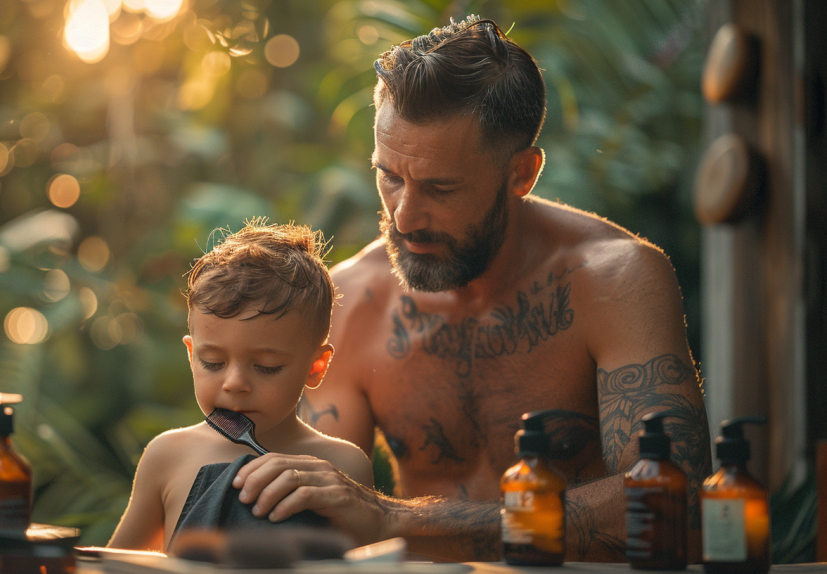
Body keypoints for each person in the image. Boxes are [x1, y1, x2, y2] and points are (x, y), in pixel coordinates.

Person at [230, 16, 711, 563]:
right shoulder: (348, 303)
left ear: (522, 175)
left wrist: (392, 517)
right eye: (389, 175)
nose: (405, 217)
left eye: (441, 187)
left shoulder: (616, 281)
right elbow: (305, 518)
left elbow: (678, 503)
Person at [107, 221, 373, 552]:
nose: (234, 384)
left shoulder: (343, 465)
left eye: (266, 367)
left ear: (316, 366)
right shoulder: (168, 456)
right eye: (212, 363)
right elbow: (115, 565)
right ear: (191, 355)